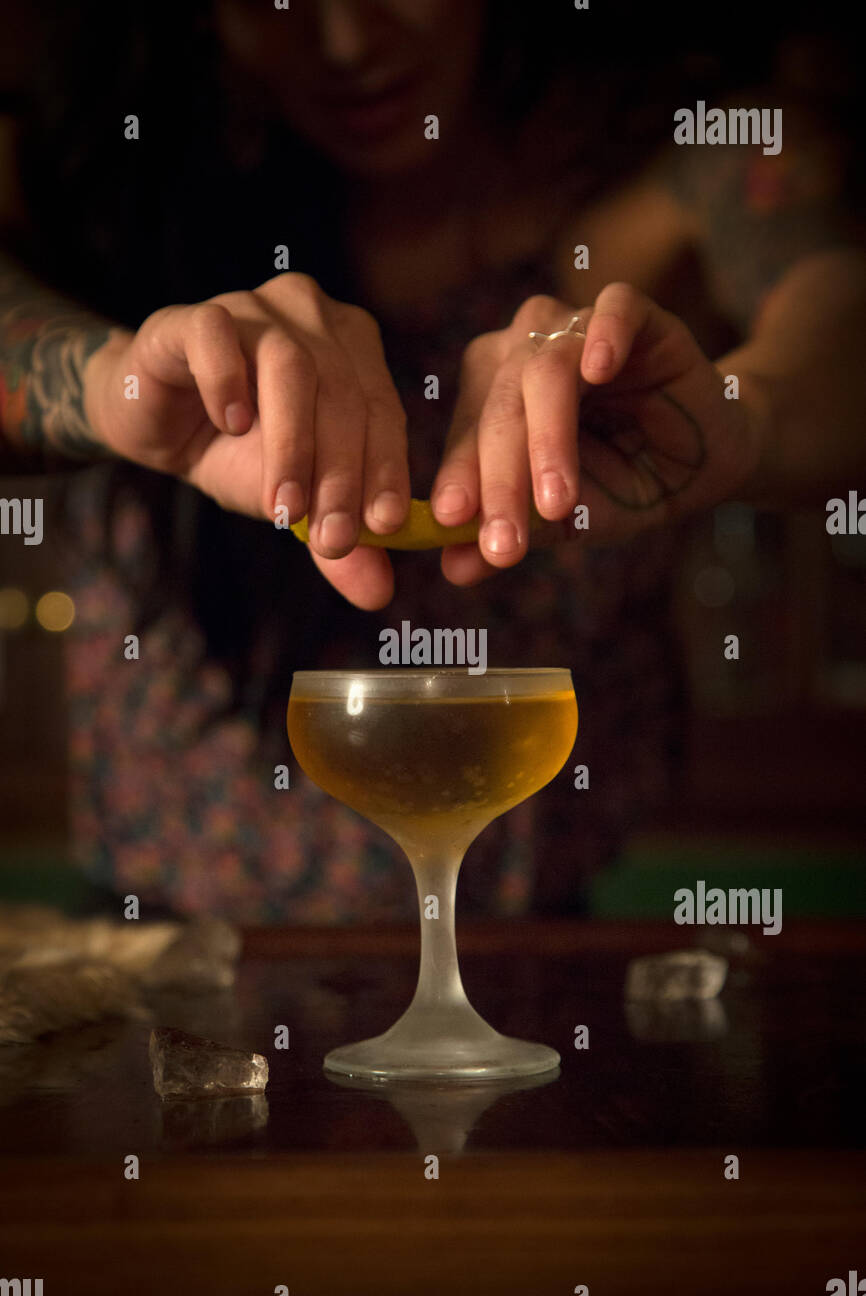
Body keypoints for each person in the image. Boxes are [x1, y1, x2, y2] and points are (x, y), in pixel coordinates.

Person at [0, 0, 863, 924]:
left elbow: (836, 312)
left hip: (528, 953)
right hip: (157, 956)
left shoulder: (679, 164)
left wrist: (743, 414)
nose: (347, 42)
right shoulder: (114, 166)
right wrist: (109, 382)